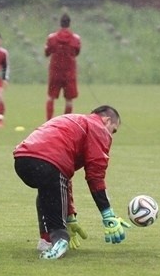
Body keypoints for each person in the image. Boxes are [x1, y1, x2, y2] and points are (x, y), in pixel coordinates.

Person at [13, 105, 130, 260]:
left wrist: (70, 215)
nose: (111, 136)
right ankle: (60, 239)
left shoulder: (74, 121)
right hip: (49, 163)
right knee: (51, 181)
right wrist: (107, 214)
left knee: (47, 188)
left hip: (23, 160)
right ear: (107, 120)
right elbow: (96, 175)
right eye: (113, 130)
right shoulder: (98, 128)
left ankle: (46, 240)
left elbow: (63, 179)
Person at [44, 13, 81, 121]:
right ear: (69, 24)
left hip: (55, 72)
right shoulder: (75, 38)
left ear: (60, 23)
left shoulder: (52, 38)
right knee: (69, 99)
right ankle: (65, 122)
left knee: (51, 97)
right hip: (70, 73)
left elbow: (47, 53)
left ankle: (48, 121)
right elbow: (76, 52)